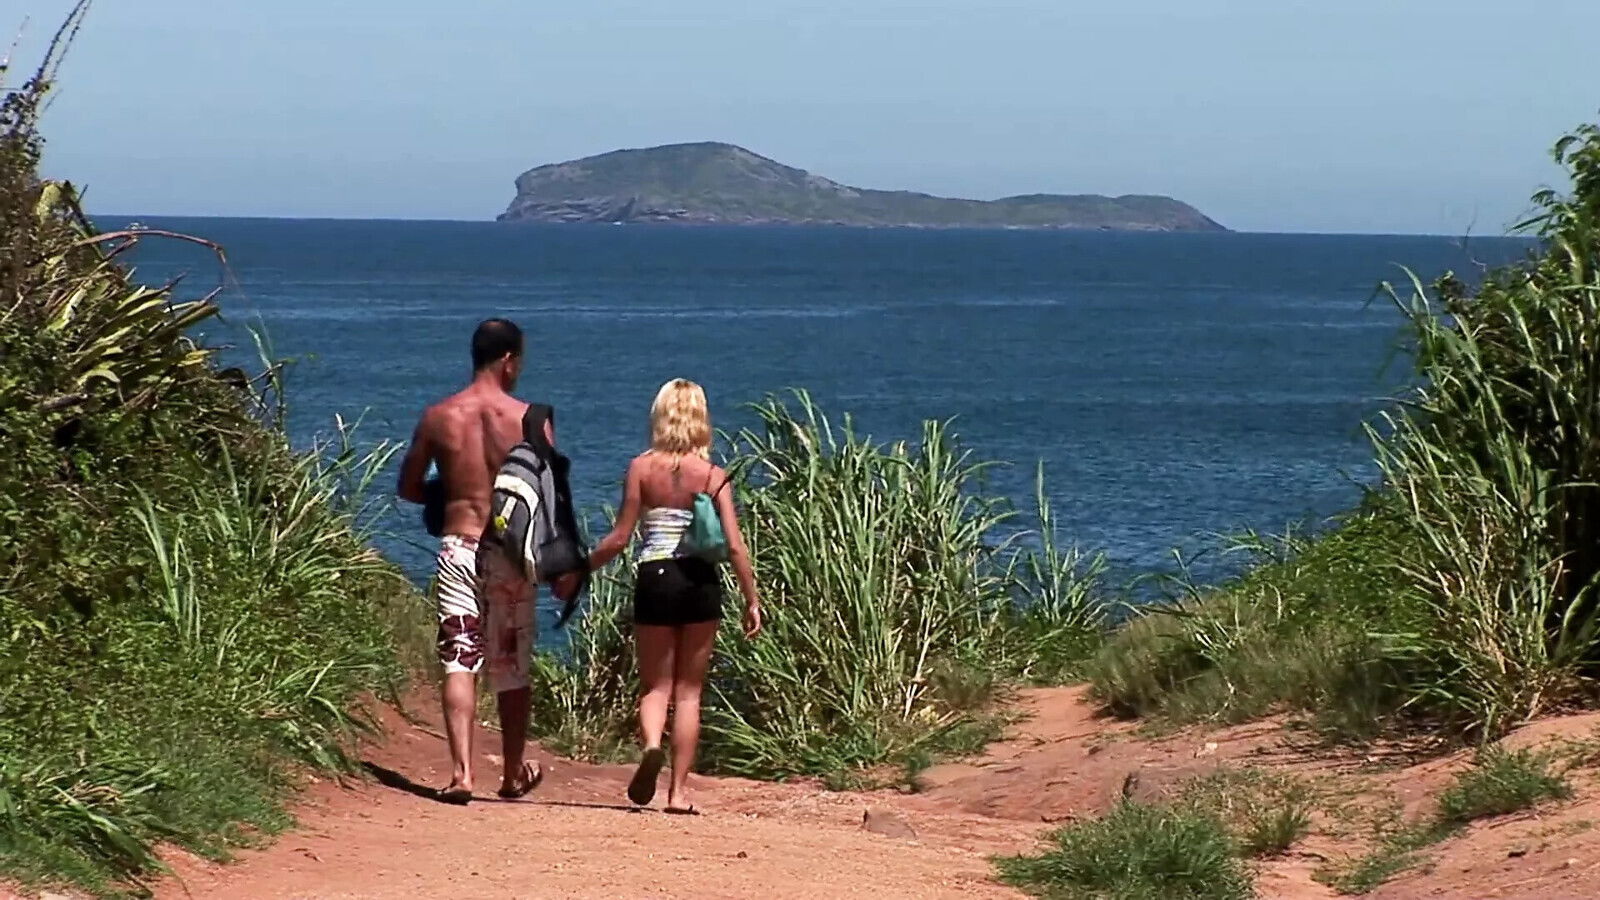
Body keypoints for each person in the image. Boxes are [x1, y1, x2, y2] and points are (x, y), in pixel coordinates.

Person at [587, 378, 761, 814]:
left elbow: (620, 537)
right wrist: (751, 598)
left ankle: (650, 745)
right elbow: (735, 545)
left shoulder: (641, 469)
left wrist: (580, 568)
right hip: (700, 580)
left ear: (660, 417)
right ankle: (678, 794)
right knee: (689, 692)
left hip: (656, 578)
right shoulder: (713, 475)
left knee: (655, 686)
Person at [396, 318, 551, 804]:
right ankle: (509, 772)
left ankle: (462, 774)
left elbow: (408, 486)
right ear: (509, 360)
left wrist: (448, 493)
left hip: (458, 545)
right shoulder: (530, 418)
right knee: (512, 667)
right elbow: (548, 495)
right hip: (509, 553)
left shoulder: (440, 416)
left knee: (460, 657)